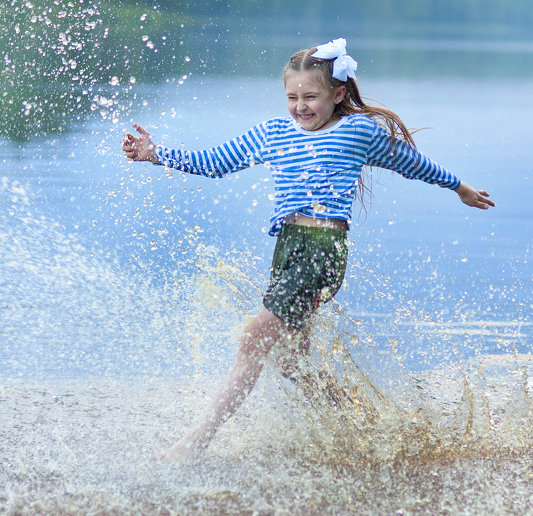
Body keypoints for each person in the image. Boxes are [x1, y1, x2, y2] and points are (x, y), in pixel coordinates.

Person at [122, 37, 495, 463]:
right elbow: (215, 162)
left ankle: (194, 444)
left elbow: (414, 163)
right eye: (292, 96)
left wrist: (460, 187)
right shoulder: (274, 132)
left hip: (323, 250)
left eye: (311, 96)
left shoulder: (358, 132)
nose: (300, 106)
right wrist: (156, 155)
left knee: (252, 338)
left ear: (337, 95)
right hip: (288, 248)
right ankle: (357, 430)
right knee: (290, 362)